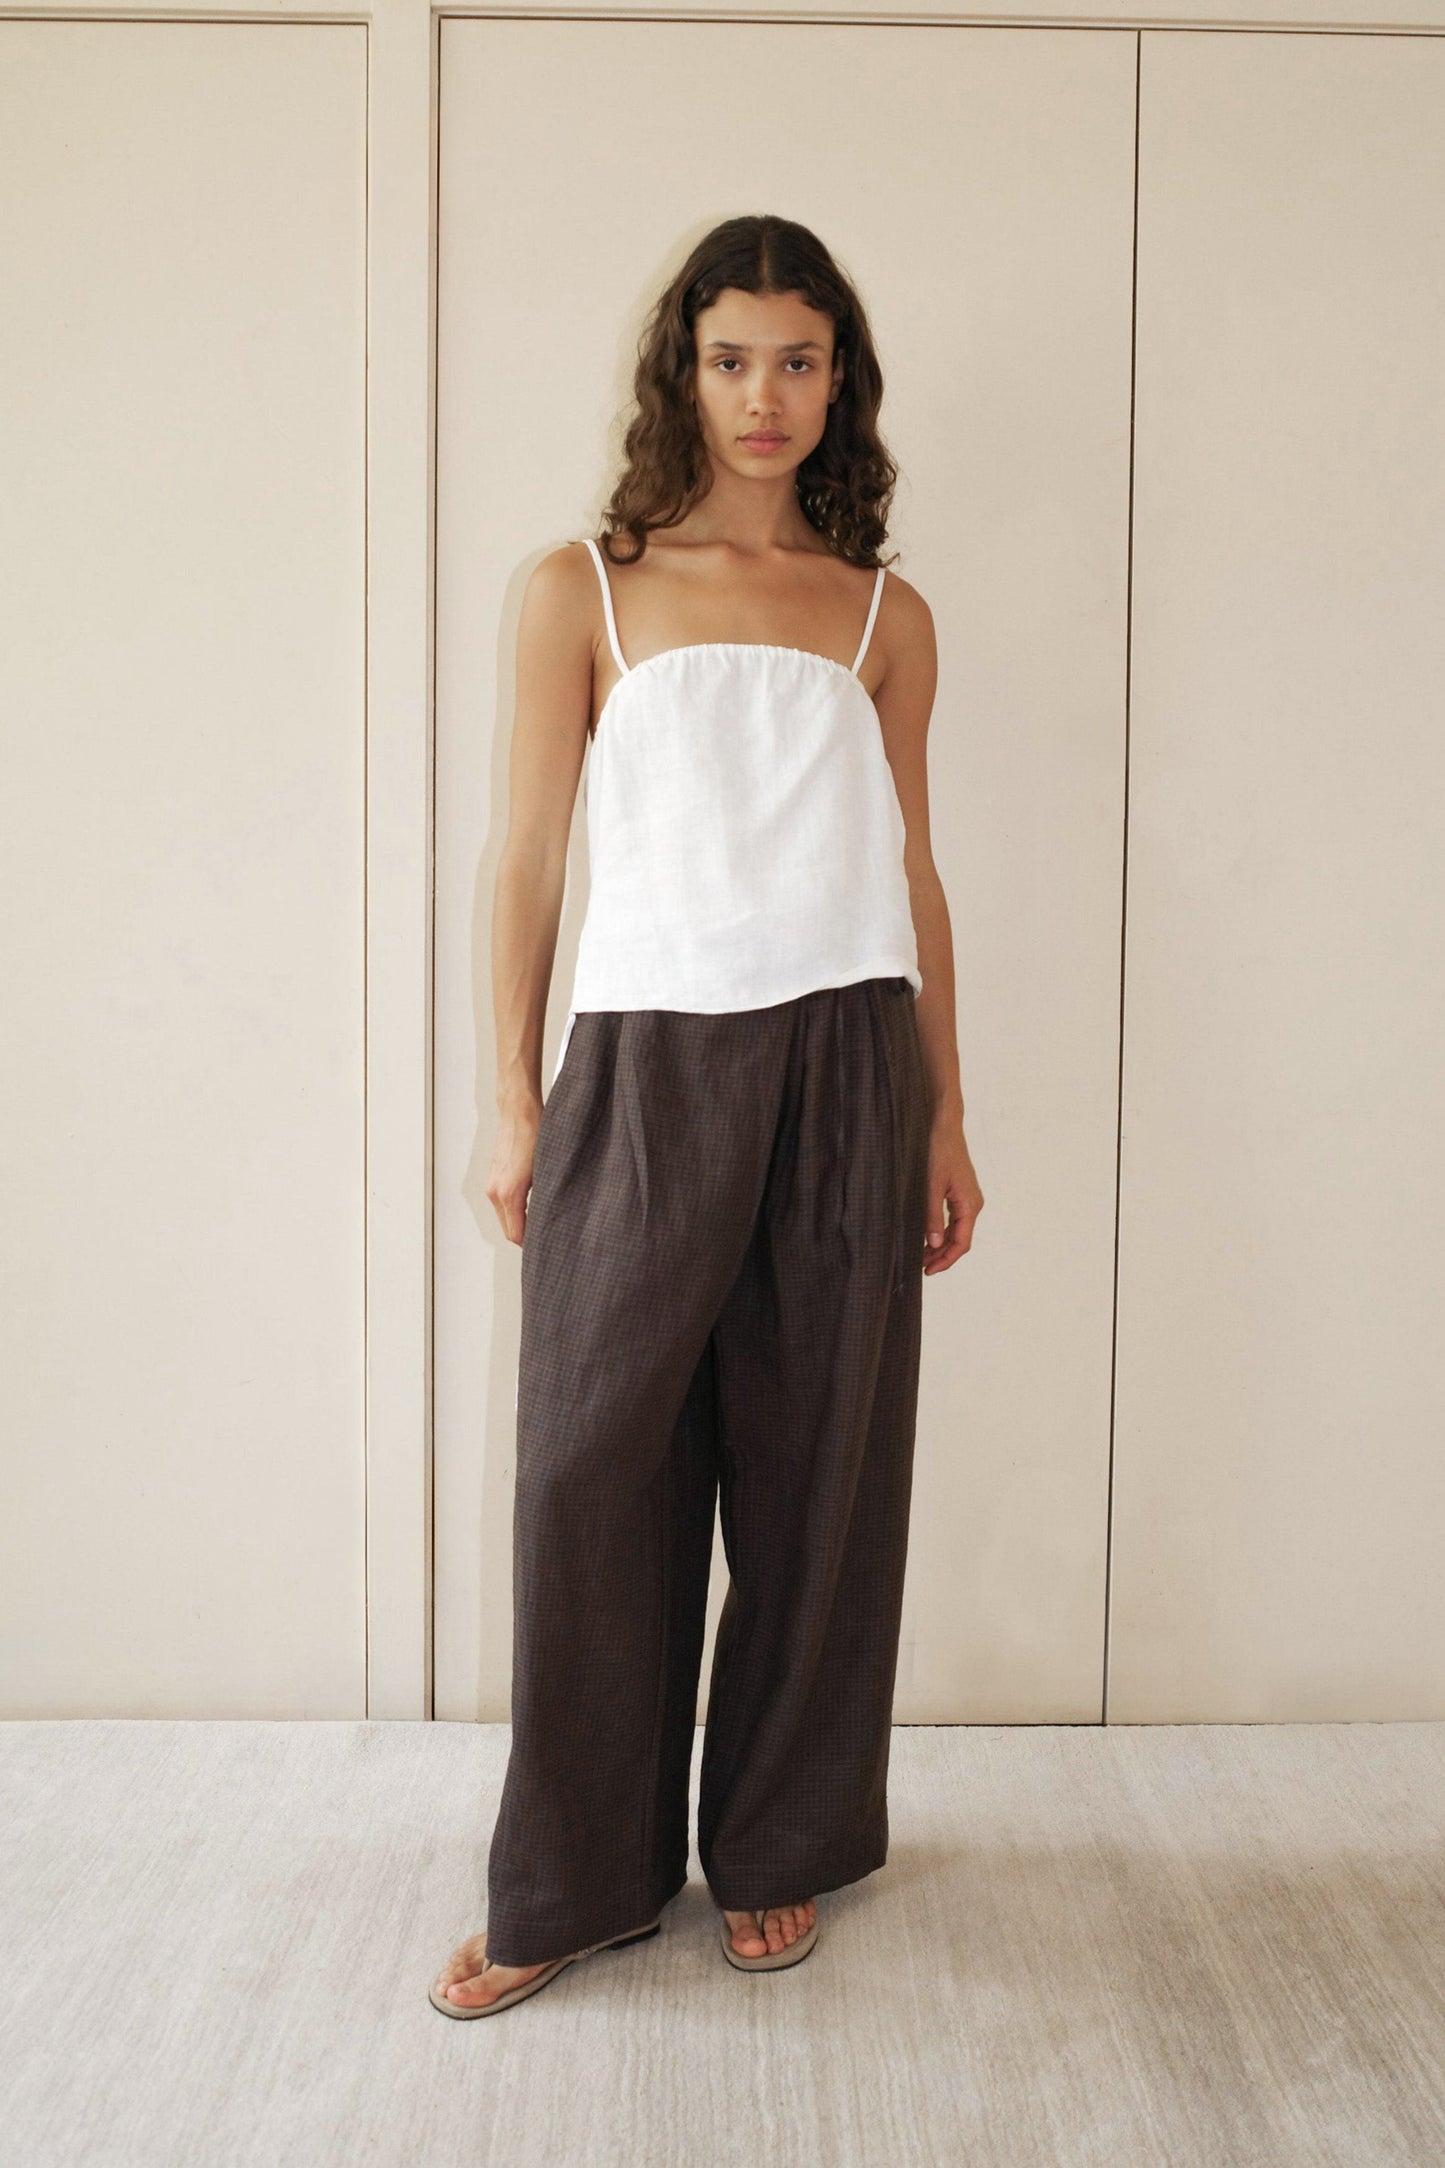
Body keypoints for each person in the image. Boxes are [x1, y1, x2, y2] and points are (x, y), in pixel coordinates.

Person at [432, 213, 982, 2019]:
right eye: (733, 356)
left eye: (800, 359)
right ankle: (576, 1877)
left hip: (844, 1053)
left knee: (819, 1467)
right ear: (684, 367)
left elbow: (907, 865)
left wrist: (942, 1116)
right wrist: (513, 1096)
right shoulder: (577, 588)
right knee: (592, 1469)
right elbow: (527, 852)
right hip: (646, 1060)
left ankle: (777, 1844)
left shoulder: (883, 613)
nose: (765, 395)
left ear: (843, 381)